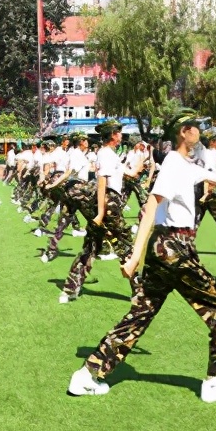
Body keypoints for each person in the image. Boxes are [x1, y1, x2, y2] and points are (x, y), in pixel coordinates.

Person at [67, 109, 216, 403]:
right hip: (175, 246)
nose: (198, 131)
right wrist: (135, 256)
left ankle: (86, 375)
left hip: (167, 248)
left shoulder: (186, 165)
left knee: (140, 314)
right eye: (194, 127)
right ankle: (215, 382)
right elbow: (150, 205)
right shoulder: (174, 164)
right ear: (183, 132)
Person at [58, 119, 141, 304]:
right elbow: (102, 183)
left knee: (91, 248)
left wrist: (139, 164)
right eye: (119, 132)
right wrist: (101, 213)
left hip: (110, 203)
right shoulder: (105, 154)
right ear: (112, 135)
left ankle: (69, 289)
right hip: (108, 204)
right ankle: (139, 292)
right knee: (125, 245)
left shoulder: (111, 154)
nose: (121, 135)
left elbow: (130, 173)